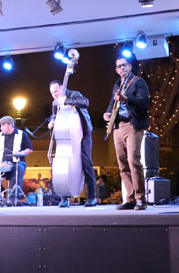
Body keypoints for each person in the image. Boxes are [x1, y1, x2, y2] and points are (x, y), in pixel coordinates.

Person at [103, 56, 149, 210]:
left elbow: (144, 102)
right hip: (118, 126)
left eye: (124, 65)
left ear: (130, 66)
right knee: (122, 164)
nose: (121, 68)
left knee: (133, 160)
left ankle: (140, 198)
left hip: (132, 125)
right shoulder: (117, 85)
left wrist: (126, 99)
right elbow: (112, 104)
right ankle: (130, 199)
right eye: (118, 66)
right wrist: (107, 114)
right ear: (116, 70)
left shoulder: (138, 82)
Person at [48, 79, 96, 207]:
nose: (54, 95)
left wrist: (67, 101)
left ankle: (92, 197)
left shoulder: (74, 94)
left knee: (86, 162)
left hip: (83, 134)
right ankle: (64, 198)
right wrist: (52, 122)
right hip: (67, 136)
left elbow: (85, 102)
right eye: (52, 93)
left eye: (56, 91)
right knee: (64, 165)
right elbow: (55, 116)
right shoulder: (55, 103)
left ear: (63, 87)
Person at [0, 115, 32, 202]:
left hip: (17, 162)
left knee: (18, 168)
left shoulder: (21, 134)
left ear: (10, 125)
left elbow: (29, 149)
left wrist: (19, 153)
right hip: (1, 164)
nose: (1, 128)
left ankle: (14, 198)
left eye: (2, 125)